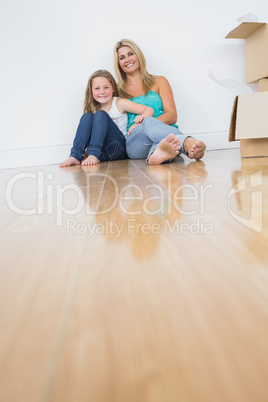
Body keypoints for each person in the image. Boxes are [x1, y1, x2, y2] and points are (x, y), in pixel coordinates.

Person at [114, 39, 206, 165]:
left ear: (138, 55)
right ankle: (186, 142)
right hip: (136, 142)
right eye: (122, 57)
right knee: (150, 123)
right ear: (118, 63)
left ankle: (156, 154)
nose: (127, 59)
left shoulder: (160, 81)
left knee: (165, 142)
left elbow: (172, 115)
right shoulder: (117, 90)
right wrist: (145, 124)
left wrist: (149, 123)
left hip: (166, 136)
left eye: (131, 54)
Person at [60, 69, 154, 167]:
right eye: (97, 88)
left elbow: (149, 109)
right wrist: (87, 153)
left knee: (101, 114)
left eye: (106, 87)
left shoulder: (119, 103)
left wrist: (138, 122)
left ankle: (93, 155)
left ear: (113, 88)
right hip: (101, 153)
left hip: (118, 150)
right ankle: (75, 155)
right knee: (87, 116)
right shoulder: (93, 108)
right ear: (91, 91)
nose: (102, 92)